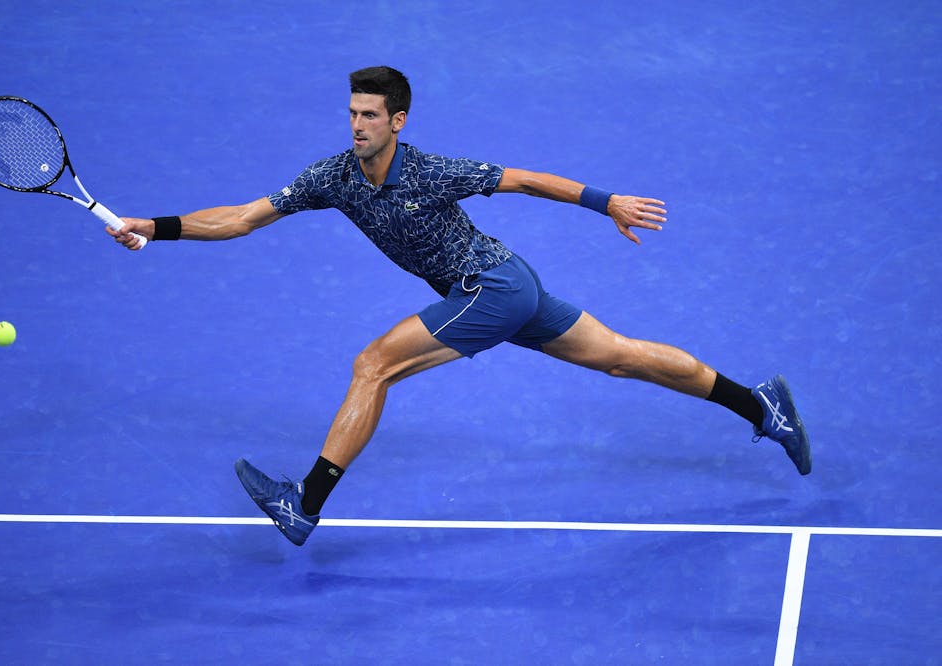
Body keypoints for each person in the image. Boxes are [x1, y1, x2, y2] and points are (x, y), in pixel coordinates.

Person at [109, 66, 811, 547]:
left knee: (372, 366)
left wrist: (609, 204)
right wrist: (154, 225)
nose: (356, 125)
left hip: (495, 289)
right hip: (508, 289)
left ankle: (306, 505)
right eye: (351, 113)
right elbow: (240, 217)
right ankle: (762, 407)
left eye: (369, 115)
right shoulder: (332, 176)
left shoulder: (432, 169)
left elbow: (527, 179)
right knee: (623, 359)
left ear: (398, 120)